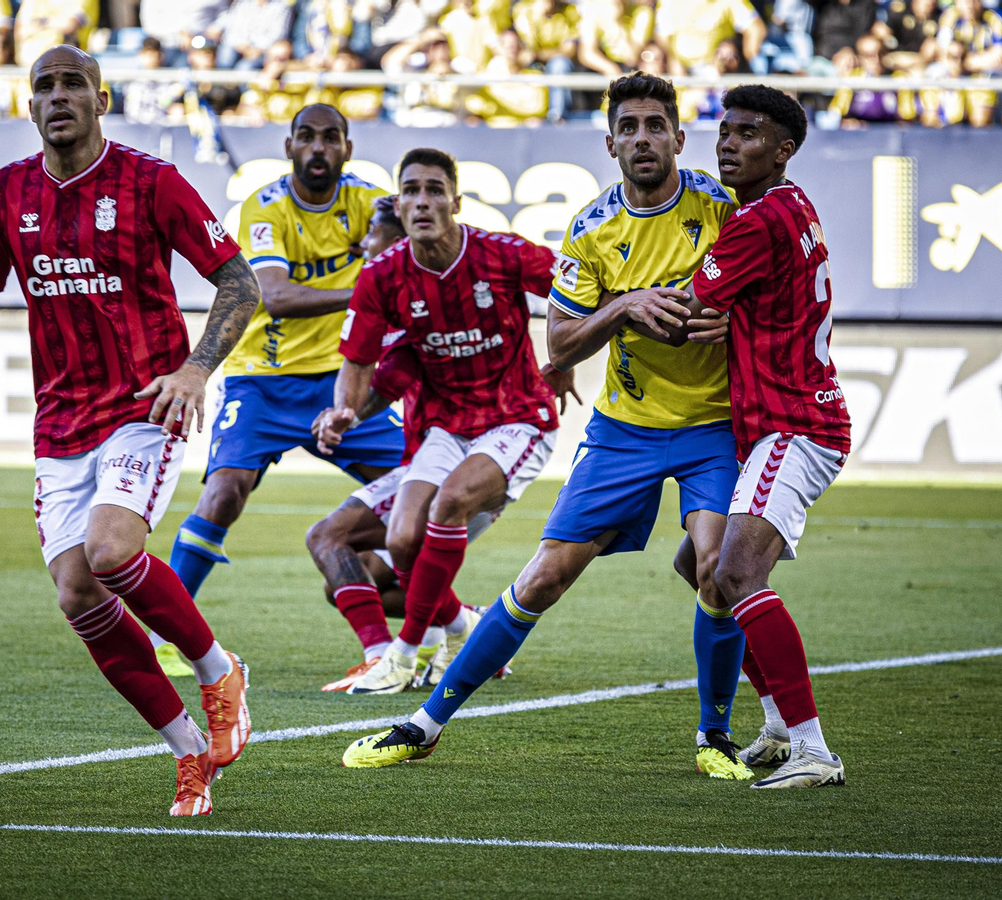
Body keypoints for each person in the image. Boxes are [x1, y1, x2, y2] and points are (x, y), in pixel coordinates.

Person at [341, 74, 752, 782]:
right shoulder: (591, 228)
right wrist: (622, 308)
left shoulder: (722, 208)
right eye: (629, 127)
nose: (643, 138)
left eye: (656, 125)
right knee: (541, 578)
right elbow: (560, 343)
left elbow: (768, 294)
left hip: (711, 424)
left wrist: (732, 320)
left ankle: (715, 735)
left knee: (717, 571)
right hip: (624, 429)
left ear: (680, 139)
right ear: (611, 144)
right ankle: (424, 725)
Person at [0, 46, 259, 816]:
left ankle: (219, 671)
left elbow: (239, 283)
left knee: (111, 552)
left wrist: (194, 371)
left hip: (145, 405)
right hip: (61, 421)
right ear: (29, 104)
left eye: (73, 83)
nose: (58, 96)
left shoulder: (152, 182)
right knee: (78, 593)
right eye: (43, 85)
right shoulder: (5, 192)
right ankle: (188, 750)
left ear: (102, 100)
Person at [155, 103, 404, 676]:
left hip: (344, 381)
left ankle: (447, 622)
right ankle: (167, 639)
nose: (318, 148)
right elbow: (276, 295)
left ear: (347, 148)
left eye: (331, 138)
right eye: (306, 137)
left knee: (419, 491)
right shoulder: (264, 207)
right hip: (263, 379)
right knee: (223, 494)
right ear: (289, 146)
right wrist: (367, 293)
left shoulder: (371, 203)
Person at [306, 195, 579, 692]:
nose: (364, 243)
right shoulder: (386, 288)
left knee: (350, 536)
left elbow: (572, 280)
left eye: (373, 233)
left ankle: (398, 653)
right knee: (350, 567)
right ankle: (462, 626)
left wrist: (565, 356)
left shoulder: (472, 268)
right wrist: (347, 412)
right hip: (436, 445)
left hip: (491, 442)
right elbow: (379, 375)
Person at [693, 84, 853, 789]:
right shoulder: (791, 203)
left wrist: (612, 306)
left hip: (793, 423)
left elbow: (690, 307)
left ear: (783, 150)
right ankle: (781, 727)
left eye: (748, 134)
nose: (729, 143)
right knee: (701, 568)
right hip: (783, 421)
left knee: (734, 575)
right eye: (725, 130)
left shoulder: (755, 221)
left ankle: (815, 750)